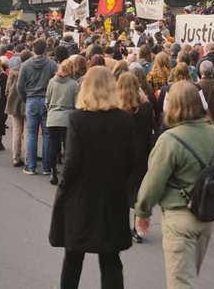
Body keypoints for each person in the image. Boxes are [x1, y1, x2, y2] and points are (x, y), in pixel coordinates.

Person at [135, 81, 214, 289]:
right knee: (189, 276)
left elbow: (154, 181)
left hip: (179, 216)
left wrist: (142, 211)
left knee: (181, 282)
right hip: (208, 215)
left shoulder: (170, 139)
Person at [48, 66, 136, 289]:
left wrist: (64, 188)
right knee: (110, 260)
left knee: (73, 257)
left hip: (81, 197)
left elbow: (72, 162)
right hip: (112, 196)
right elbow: (132, 161)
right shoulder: (124, 119)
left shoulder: (78, 119)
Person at [116, 72, 156, 244]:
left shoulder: (116, 109)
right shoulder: (145, 108)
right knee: (139, 191)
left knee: (121, 192)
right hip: (141, 153)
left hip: (120, 155)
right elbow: (151, 128)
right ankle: (137, 229)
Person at [17, 38, 59, 175]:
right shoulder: (52, 64)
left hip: (31, 100)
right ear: (45, 49)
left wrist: (25, 98)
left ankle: (31, 166)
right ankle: (47, 167)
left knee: (31, 134)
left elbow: (19, 86)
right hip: (46, 100)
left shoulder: (26, 65)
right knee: (47, 135)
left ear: (33, 49)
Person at [45, 59, 80, 185]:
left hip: (53, 115)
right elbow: (76, 103)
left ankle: (53, 171)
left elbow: (47, 100)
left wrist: (51, 110)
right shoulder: (73, 84)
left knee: (54, 144)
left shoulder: (52, 82)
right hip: (67, 117)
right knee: (68, 146)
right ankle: (67, 172)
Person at [5, 51, 30, 167]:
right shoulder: (30, 70)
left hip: (14, 101)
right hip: (27, 101)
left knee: (16, 130)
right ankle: (28, 158)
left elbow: (7, 88)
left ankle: (16, 157)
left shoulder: (13, 71)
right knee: (27, 132)